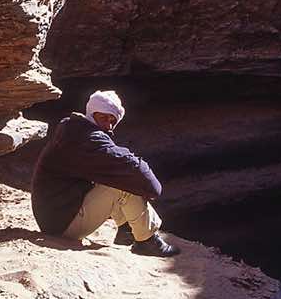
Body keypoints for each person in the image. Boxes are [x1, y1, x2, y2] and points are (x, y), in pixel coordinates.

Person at [32, 89, 180, 257]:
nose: (108, 125)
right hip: (62, 226)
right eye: (103, 118)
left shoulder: (72, 128)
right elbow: (149, 183)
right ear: (91, 113)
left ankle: (126, 231)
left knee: (112, 175)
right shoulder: (89, 140)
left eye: (113, 120)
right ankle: (146, 242)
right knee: (126, 182)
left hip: (54, 217)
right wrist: (145, 188)